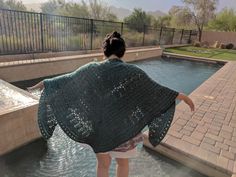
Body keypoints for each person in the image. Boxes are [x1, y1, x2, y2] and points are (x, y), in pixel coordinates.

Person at [28, 31, 194, 177]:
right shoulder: (134, 73)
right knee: (123, 164)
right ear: (123, 52)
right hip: (125, 130)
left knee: (103, 165)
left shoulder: (91, 69)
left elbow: (65, 81)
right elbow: (157, 92)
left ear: (104, 51)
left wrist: (44, 83)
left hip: (99, 130)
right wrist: (181, 96)